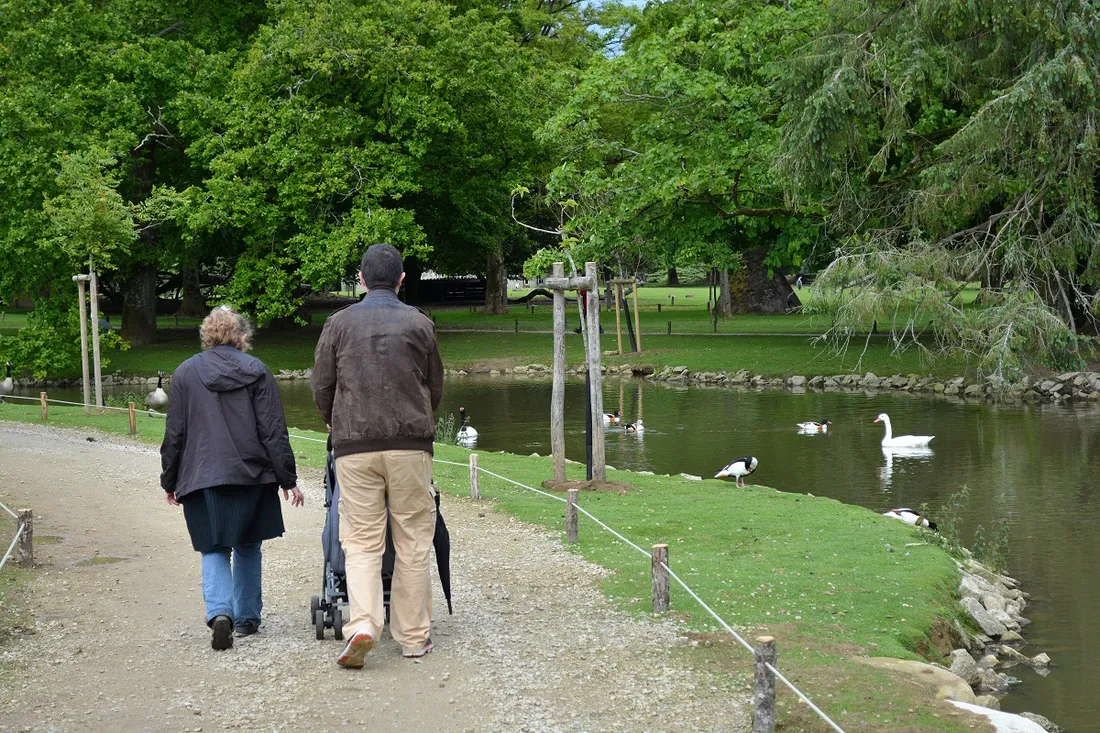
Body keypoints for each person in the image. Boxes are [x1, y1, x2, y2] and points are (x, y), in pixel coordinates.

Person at [312, 243, 444, 667]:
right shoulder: (420, 323)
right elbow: (435, 384)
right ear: (402, 280)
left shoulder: (337, 324)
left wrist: (335, 423)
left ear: (362, 278)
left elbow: (322, 385)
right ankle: (412, 636)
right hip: (410, 444)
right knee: (412, 538)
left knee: (362, 541)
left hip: (355, 445)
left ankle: (365, 624)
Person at [161, 306, 304, 651]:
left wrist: (169, 479)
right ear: (241, 336)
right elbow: (273, 431)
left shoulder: (184, 373)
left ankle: (220, 613)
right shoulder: (257, 371)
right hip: (251, 474)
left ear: (207, 334)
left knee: (212, 547)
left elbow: (175, 434)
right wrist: (288, 479)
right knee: (248, 543)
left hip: (202, 475)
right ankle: (246, 618)